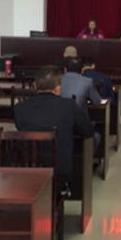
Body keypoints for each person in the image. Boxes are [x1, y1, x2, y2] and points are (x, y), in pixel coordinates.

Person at [14, 66, 94, 195]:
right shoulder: (69, 105)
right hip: (59, 171)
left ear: (35, 85)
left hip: (28, 170)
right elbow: (88, 131)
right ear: (58, 88)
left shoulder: (19, 108)